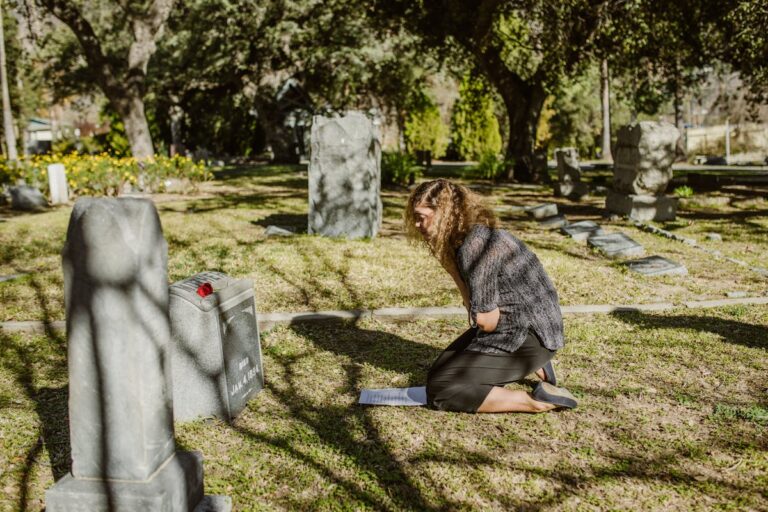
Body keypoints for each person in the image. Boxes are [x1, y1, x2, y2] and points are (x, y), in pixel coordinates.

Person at [404, 178, 578, 413]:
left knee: (442, 389)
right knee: (439, 373)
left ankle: (538, 401)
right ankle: (538, 365)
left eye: (422, 217)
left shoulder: (474, 247)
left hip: (528, 335)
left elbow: (486, 321)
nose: (416, 224)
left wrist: (455, 272)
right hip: (531, 326)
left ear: (445, 214)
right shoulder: (472, 237)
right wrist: (451, 266)